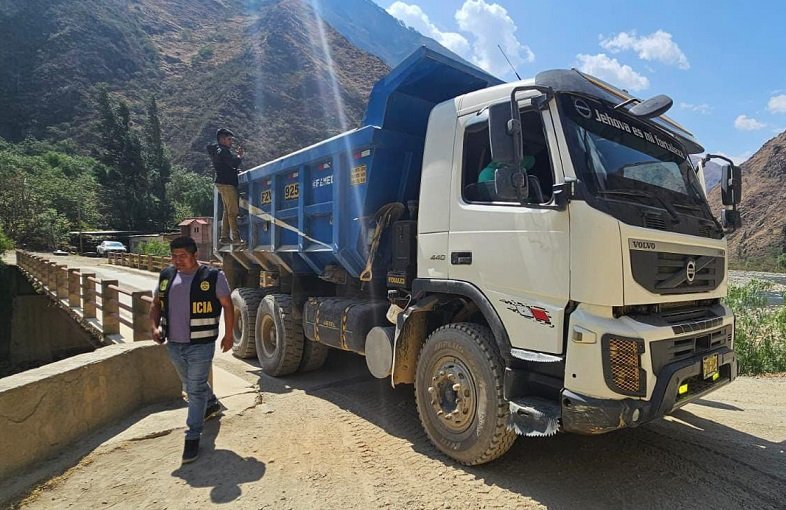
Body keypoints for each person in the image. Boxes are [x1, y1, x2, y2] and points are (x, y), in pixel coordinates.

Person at [149, 236, 235, 464]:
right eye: (174, 256)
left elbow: (227, 305)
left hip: (201, 344)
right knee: (189, 383)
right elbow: (155, 304)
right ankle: (212, 403)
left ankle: (192, 436)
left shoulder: (213, 277)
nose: (177, 261)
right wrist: (154, 326)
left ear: (195, 255)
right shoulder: (167, 276)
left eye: (183, 256)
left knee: (193, 390)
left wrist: (229, 334)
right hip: (174, 343)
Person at [207, 128, 245, 246]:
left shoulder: (217, 151)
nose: (231, 142)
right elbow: (233, 163)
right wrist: (239, 156)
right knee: (232, 211)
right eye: (229, 139)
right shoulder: (223, 151)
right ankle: (236, 238)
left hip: (221, 183)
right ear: (222, 139)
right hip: (227, 184)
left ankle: (224, 236)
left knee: (226, 210)